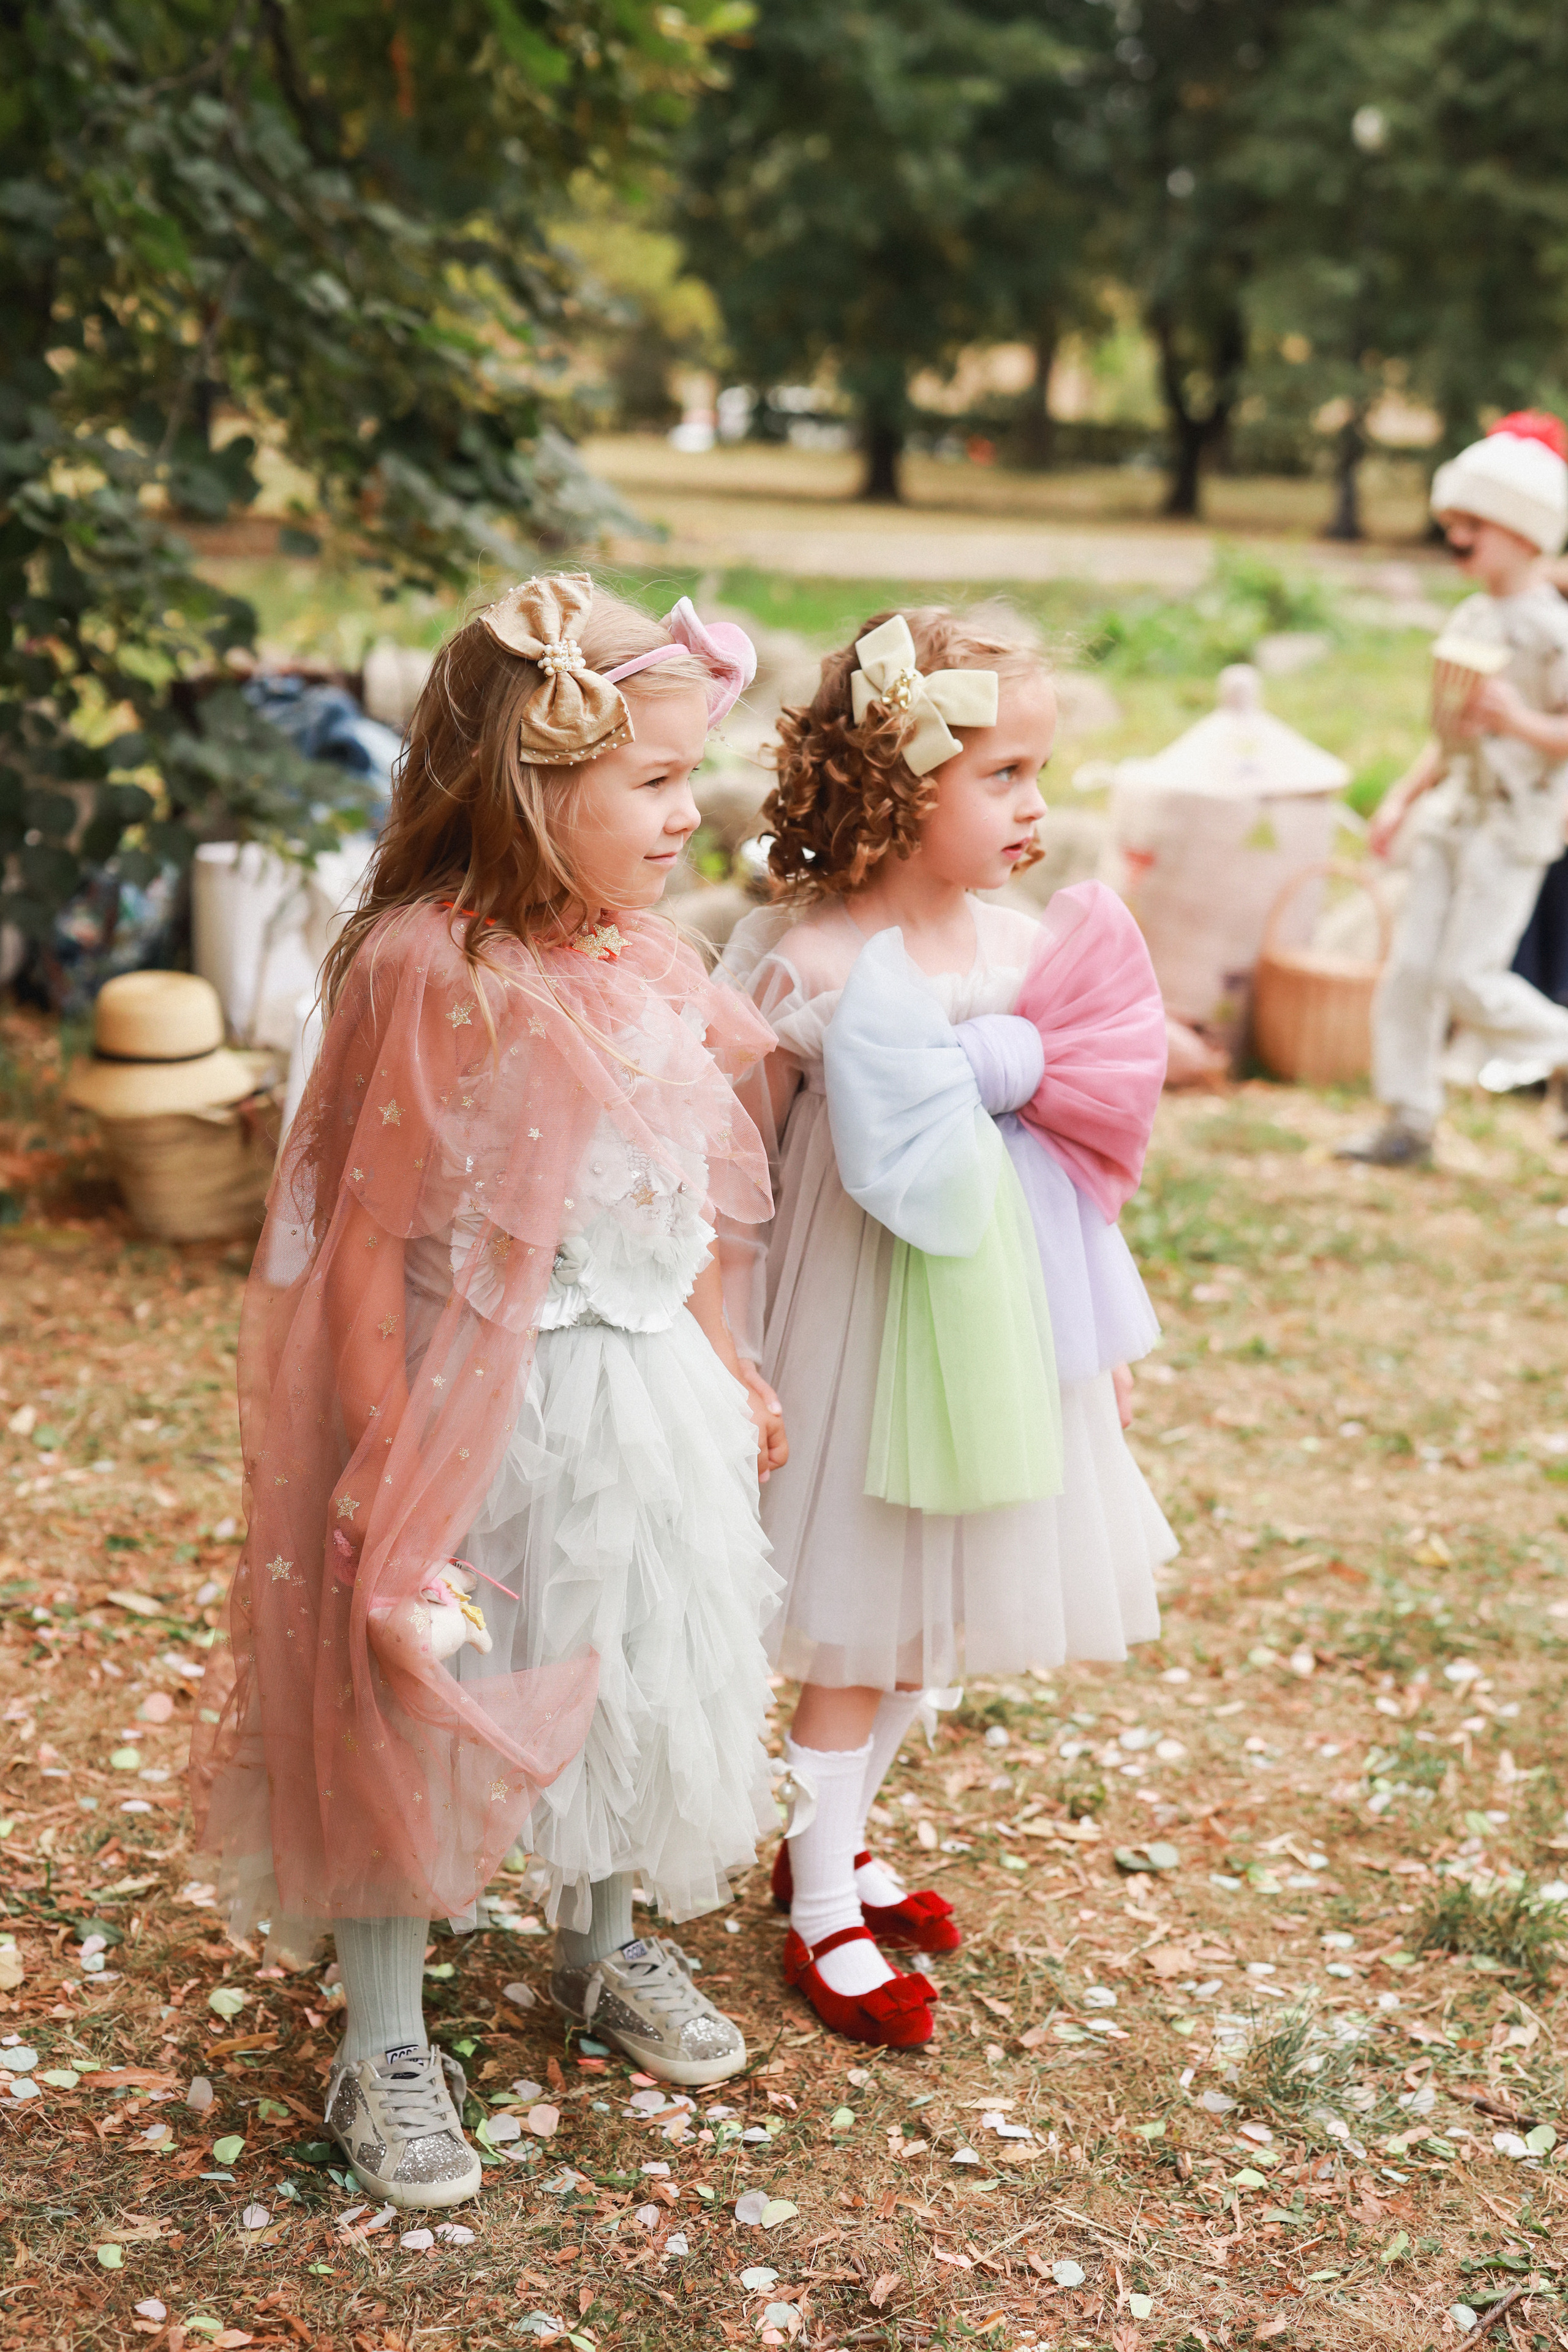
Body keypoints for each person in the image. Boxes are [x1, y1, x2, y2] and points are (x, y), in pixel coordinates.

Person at [192, 574, 787, 2210]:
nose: (689, 814)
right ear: (536, 787)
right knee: (423, 1688)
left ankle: (604, 1939)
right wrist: (386, 1469)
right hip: (478, 1403)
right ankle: (385, 2028)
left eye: (688, 779)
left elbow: (695, 1192)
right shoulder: (425, 964)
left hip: (641, 1383)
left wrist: (727, 1362)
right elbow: (367, 1245)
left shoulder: (652, 960)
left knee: (632, 1658)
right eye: (655, 783)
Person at [719, 606, 1174, 2048]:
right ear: (895, 782)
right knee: (851, 1626)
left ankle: (832, 1833)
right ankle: (812, 1905)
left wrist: (1085, 1350)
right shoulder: (806, 967)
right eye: (1003, 775)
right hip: (851, 1325)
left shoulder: (1022, 946)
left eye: (1040, 771)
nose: (1038, 804)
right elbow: (732, 1185)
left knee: (926, 1620)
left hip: (992, 1321)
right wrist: (728, 1349)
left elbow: (1068, 1171)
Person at [1340, 413, 1568, 1167]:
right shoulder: (1472, 613)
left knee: (1468, 978)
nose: (1459, 539)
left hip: (1513, 826)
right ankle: (1408, 1117)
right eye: (1454, 523)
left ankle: (1559, 1048)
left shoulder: (1551, 630)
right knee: (1410, 973)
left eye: (1476, 524)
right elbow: (1450, 730)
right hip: (1452, 815)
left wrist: (1520, 720)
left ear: (1526, 529)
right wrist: (1407, 794)